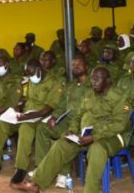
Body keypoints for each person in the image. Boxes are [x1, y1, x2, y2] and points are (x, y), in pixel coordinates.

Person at [10, 67, 131, 193]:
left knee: (96, 149)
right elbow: (78, 115)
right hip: (85, 135)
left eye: (97, 79)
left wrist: (94, 136)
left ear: (108, 81)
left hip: (112, 137)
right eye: (92, 78)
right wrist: (72, 129)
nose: (93, 82)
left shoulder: (120, 97)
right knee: (61, 144)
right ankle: (36, 183)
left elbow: (118, 124)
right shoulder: (90, 94)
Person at [0, 59, 63, 184]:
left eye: (31, 74)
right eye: (27, 74)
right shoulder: (33, 78)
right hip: (26, 115)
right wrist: (20, 105)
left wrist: (26, 117)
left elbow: (46, 110)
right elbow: (28, 99)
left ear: (39, 69)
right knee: (2, 122)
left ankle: (20, 168)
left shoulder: (55, 82)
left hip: (40, 118)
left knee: (25, 128)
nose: (30, 77)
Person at [33, 55, 91, 185]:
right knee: (42, 128)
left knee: (66, 137)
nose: (75, 68)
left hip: (82, 123)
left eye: (79, 65)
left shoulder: (93, 85)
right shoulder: (70, 86)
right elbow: (61, 105)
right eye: (73, 66)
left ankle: (63, 174)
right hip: (67, 119)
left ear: (86, 66)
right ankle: (41, 167)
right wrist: (54, 117)